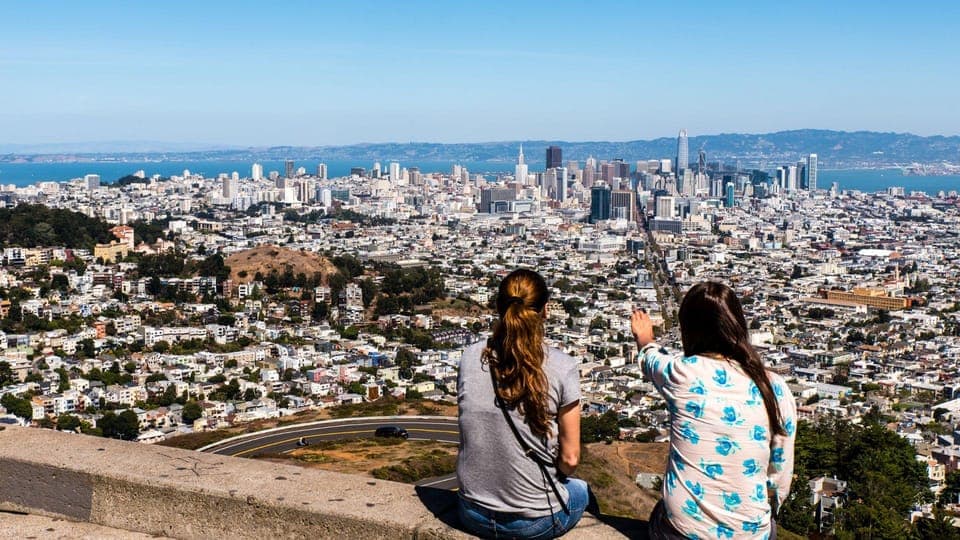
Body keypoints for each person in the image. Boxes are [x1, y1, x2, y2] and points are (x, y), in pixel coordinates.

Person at [631, 282, 796, 540]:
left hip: (683, 532)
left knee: (659, 512)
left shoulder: (682, 374)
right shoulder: (775, 388)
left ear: (689, 329)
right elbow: (780, 474)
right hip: (751, 533)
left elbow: (650, 358)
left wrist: (645, 337)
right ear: (738, 326)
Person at [457, 268, 589, 539]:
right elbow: (570, 459)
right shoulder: (562, 367)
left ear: (497, 307)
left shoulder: (469, 358)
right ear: (545, 311)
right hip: (533, 522)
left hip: (471, 512)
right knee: (582, 490)